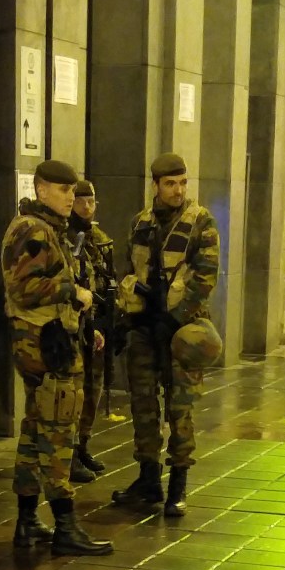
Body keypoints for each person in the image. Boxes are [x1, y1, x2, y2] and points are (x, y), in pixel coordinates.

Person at [1, 160, 113, 556]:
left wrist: (83, 323)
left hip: (50, 339)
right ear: (42, 189)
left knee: (35, 432)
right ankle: (65, 524)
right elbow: (24, 287)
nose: (71, 197)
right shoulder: (32, 229)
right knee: (58, 433)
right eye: (63, 190)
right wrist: (72, 291)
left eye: (73, 191)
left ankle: (27, 520)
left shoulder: (48, 229)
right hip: (42, 347)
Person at [112, 152, 223, 516]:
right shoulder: (140, 223)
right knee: (143, 404)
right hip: (145, 327)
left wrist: (175, 316)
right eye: (170, 184)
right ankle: (148, 479)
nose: (178, 190)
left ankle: (178, 484)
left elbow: (205, 277)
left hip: (181, 328)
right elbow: (131, 269)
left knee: (180, 408)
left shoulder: (201, 222)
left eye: (182, 183)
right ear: (156, 186)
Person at [67, 180, 115, 483]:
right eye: (80, 201)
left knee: (94, 388)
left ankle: (83, 445)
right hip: (75, 323)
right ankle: (71, 452)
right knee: (75, 391)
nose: (86, 207)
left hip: (95, 321)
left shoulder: (99, 238)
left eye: (91, 201)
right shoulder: (67, 237)